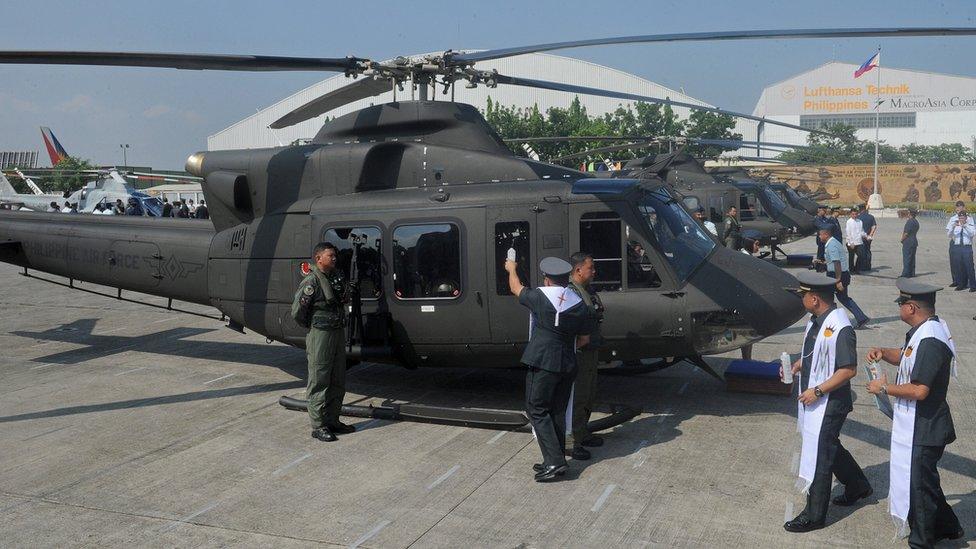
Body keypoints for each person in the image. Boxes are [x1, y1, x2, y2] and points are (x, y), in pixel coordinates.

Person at [866, 279, 963, 546]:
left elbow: (920, 390)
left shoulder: (931, 339)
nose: (899, 308)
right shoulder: (922, 330)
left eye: (901, 304)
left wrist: (884, 388)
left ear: (910, 307)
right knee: (925, 481)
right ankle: (949, 527)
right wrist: (884, 352)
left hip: (926, 426)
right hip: (921, 422)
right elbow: (907, 355)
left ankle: (921, 542)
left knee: (918, 488)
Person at [782, 272, 871, 534]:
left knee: (820, 454)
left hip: (830, 401)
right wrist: (800, 364)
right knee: (829, 445)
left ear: (814, 299)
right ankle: (857, 485)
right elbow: (818, 354)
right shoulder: (817, 320)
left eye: (803, 297)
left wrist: (818, 391)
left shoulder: (840, 328)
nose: (802, 301)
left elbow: (848, 370)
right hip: (819, 396)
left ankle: (814, 515)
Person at [505, 256, 591, 482]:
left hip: (544, 362)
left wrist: (512, 268)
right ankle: (556, 458)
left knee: (537, 409)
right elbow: (584, 338)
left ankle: (555, 462)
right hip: (568, 363)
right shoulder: (579, 303)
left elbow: (515, 287)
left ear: (547, 279)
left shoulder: (541, 297)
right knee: (557, 411)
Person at [291, 242, 354, 442]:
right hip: (321, 334)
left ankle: (333, 419)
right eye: (330, 255)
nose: (334, 258)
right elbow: (298, 313)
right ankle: (318, 425)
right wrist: (315, 326)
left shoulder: (336, 277)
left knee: (337, 377)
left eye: (335, 255)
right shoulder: (312, 282)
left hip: (336, 332)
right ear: (319, 259)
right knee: (319, 378)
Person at [567, 252, 605, 461]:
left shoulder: (587, 290)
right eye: (591, 267)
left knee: (589, 394)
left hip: (590, 352)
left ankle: (582, 433)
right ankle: (571, 442)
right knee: (578, 397)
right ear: (578, 270)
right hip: (580, 353)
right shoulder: (572, 292)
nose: (594, 271)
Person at [815, 228, 870, 328]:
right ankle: (861, 318)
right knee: (835, 298)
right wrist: (823, 263)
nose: (819, 237)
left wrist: (838, 280)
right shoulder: (832, 243)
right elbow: (834, 261)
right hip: (836, 274)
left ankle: (827, 320)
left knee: (835, 298)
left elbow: (837, 263)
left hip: (837, 275)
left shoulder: (831, 245)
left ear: (826, 234)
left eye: (820, 235)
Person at [946, 204, 975, 290]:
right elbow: (949, 235)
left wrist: (964, 226)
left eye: (963, 218)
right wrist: (952, 227)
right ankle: (961, 284)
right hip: (957, 246)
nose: (961, 219)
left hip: (966, 247)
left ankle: (973, 285)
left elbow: (972, 233)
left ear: (966, 218)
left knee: (969, 266)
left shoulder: (970, 225)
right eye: (960, 218)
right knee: (959, 266)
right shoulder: (956, 225)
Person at [844, 207, 865, 275]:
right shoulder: (849, 222)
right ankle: (851, 270)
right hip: (851, 242)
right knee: (851, 256)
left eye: (855, 214)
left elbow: (861, 231)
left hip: (859, 241)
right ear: (850, 214)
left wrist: (866, 236)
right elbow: (848, 233)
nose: (854, 215)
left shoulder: (860, 221)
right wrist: (851, 242)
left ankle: (857, 268)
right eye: (853, 214)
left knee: (861, 255)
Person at [901, 208, 919, 278]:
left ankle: (906, 274)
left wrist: (902, 239)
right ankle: (912, 273)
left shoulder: (909, 222)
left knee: (907, 258)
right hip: (914, 241)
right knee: (912, 258)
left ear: (910, 214)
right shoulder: (916, 222)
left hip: (908, 242)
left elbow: (906, 233)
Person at [858, 204, 877, 271]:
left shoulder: (858, 217)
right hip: (868, 238)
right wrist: (870, 235)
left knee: (861, 252)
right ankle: (868, 266)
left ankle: (862, 266)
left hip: (861, 237)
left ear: (860, 209)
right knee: (868, 251)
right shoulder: (871, 217)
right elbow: (874, 226)